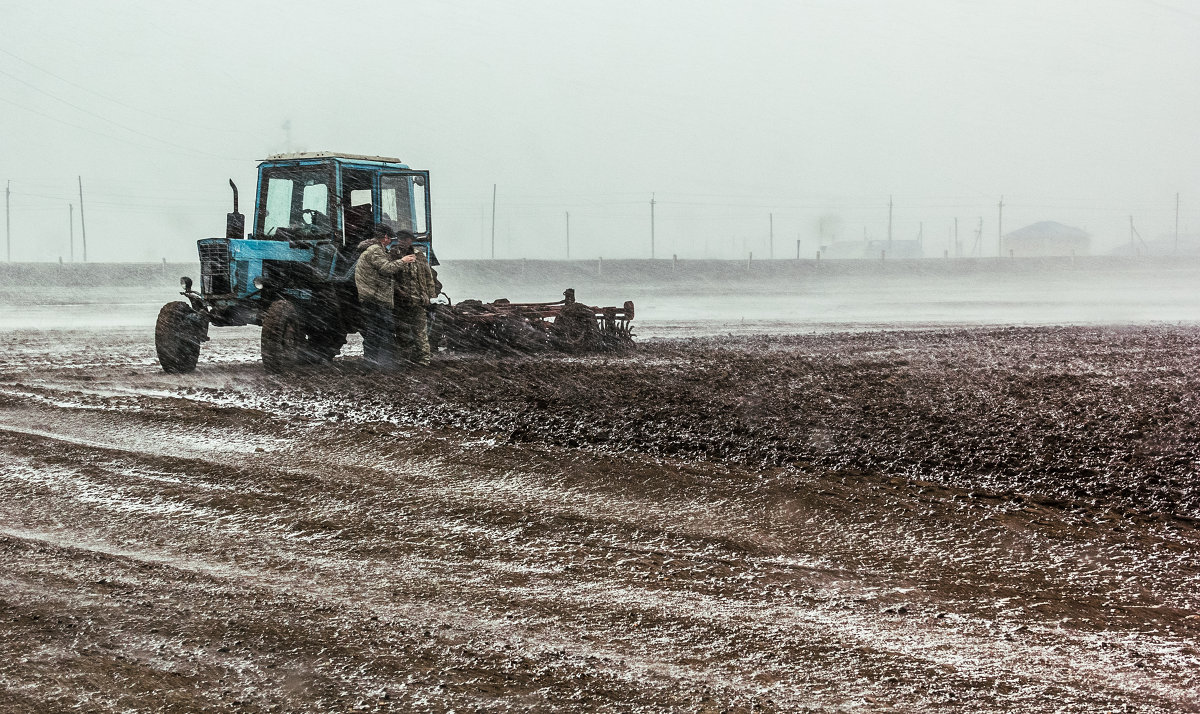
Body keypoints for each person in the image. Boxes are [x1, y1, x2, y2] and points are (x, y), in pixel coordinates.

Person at [354, 224, 405, 367]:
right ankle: (381, 363)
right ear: (386, 237)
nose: (391, 242)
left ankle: (373, 362)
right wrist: (403, 261)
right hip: (375, 297)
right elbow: (386, 268)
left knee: (376, 329)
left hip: (372, 295)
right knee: (380, 328)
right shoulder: (375, 250)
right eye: (391, 238)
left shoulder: (373, 249)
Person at [390, 230, 439, 366]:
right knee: (402, 332)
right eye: (400, 239)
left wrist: (431, 297)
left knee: (420, 332)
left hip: (418, 300)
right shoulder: (393, 255)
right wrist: (398, 291)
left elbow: (428, 277)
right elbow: (390, 277)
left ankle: (423, 360)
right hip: (401, 302)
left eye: (405, 239)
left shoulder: (419, 255)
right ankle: (404, 360)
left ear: (411, 240)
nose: (402, 241)